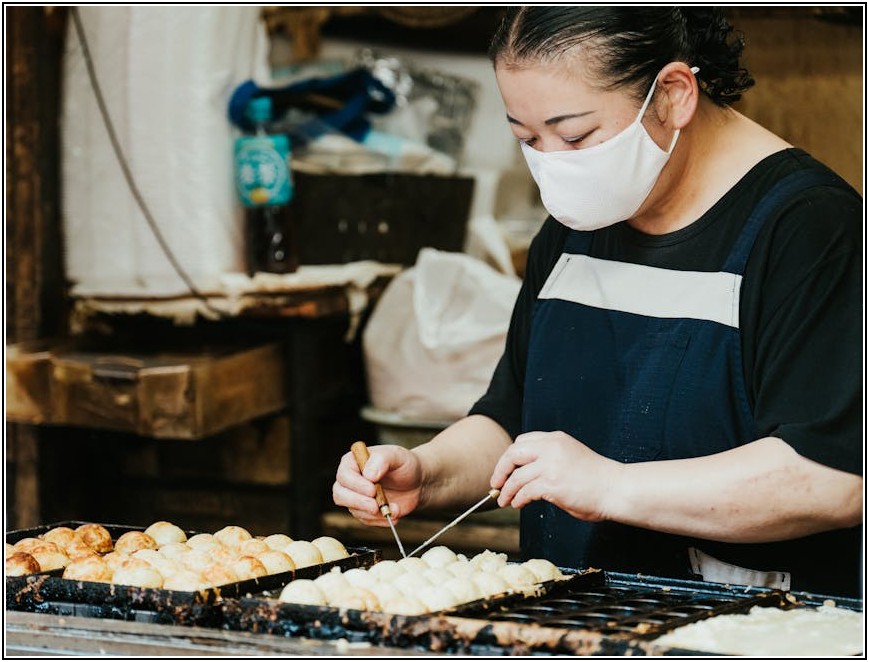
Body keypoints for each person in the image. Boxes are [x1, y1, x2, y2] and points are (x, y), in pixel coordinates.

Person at [333, 7, 863, 598]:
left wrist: (608, 486)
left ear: (672, 95)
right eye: (527, 139)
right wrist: (426, 472)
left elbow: (833, 478)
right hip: (574, 620)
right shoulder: (582, 217)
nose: (555, 163)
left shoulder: (810, 231)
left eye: (576, 135)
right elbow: (513, 422)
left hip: (749, 625)